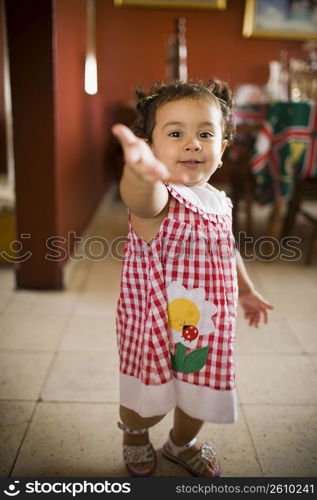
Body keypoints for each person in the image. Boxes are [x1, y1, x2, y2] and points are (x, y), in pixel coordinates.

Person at [112, 79, 274, 478]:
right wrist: (140, 174)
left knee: (200, 394)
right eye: (175, 133)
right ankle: (135, 435)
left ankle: (181, 443)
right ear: (151, 148)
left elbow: (226, 248)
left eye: (205, 133)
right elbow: (140, 199)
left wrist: (247, 290)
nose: (192, 143)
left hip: (207, 327)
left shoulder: (219, 200)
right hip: (153, 325)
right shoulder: (161, 200)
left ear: (221, 149)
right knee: (146, 396)